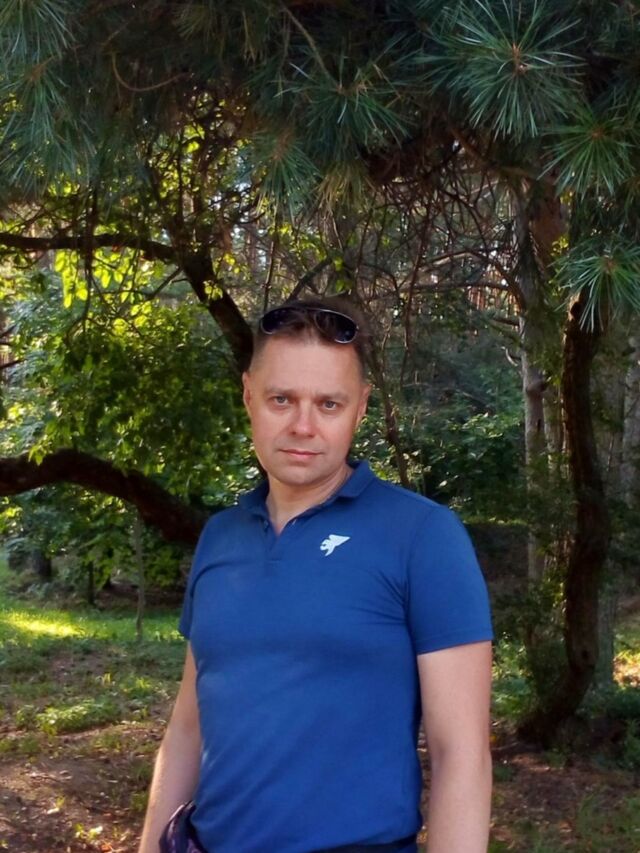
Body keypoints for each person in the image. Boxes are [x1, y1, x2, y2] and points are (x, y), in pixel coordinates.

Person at [138, 297, 493, 853]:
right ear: (249, 395)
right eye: (282, 399)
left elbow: (462, 755)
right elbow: (187, 727)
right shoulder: (221, 537)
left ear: (360, 408)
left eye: (329, 404)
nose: (303, 426)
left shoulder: (423, 536)